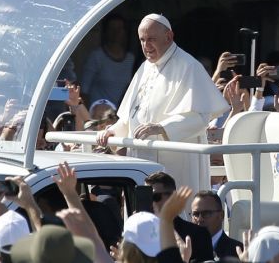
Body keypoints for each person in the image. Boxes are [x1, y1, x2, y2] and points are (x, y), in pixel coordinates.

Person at [97, 14, 228, 194]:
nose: (146, 46)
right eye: (142, 40)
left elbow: (200, 116)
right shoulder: (144, 68)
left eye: (151, 39)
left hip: (176, 162)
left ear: (169, 37)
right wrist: (114, 130)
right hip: (141, 158)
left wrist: (163, 128)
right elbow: (131, 115)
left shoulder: (188, 66)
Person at [145, 171, 213, 262]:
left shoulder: (198, 234)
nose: (150, 202)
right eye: (145, 195)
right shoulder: (138, 233)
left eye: (155, 197)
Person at [81, 13, 135, 106]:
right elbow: (84, 91)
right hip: (98, 116)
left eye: (119, 29)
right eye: (112, 29)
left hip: (120, 117)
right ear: (106, 32)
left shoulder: (131, 59)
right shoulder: (96, 56)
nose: (116, 32)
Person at [191, 190, 242, 260]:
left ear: (221, 215)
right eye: (195, 214)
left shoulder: (238, 252)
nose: (200, 219)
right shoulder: (183, 250)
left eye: (206, 213)